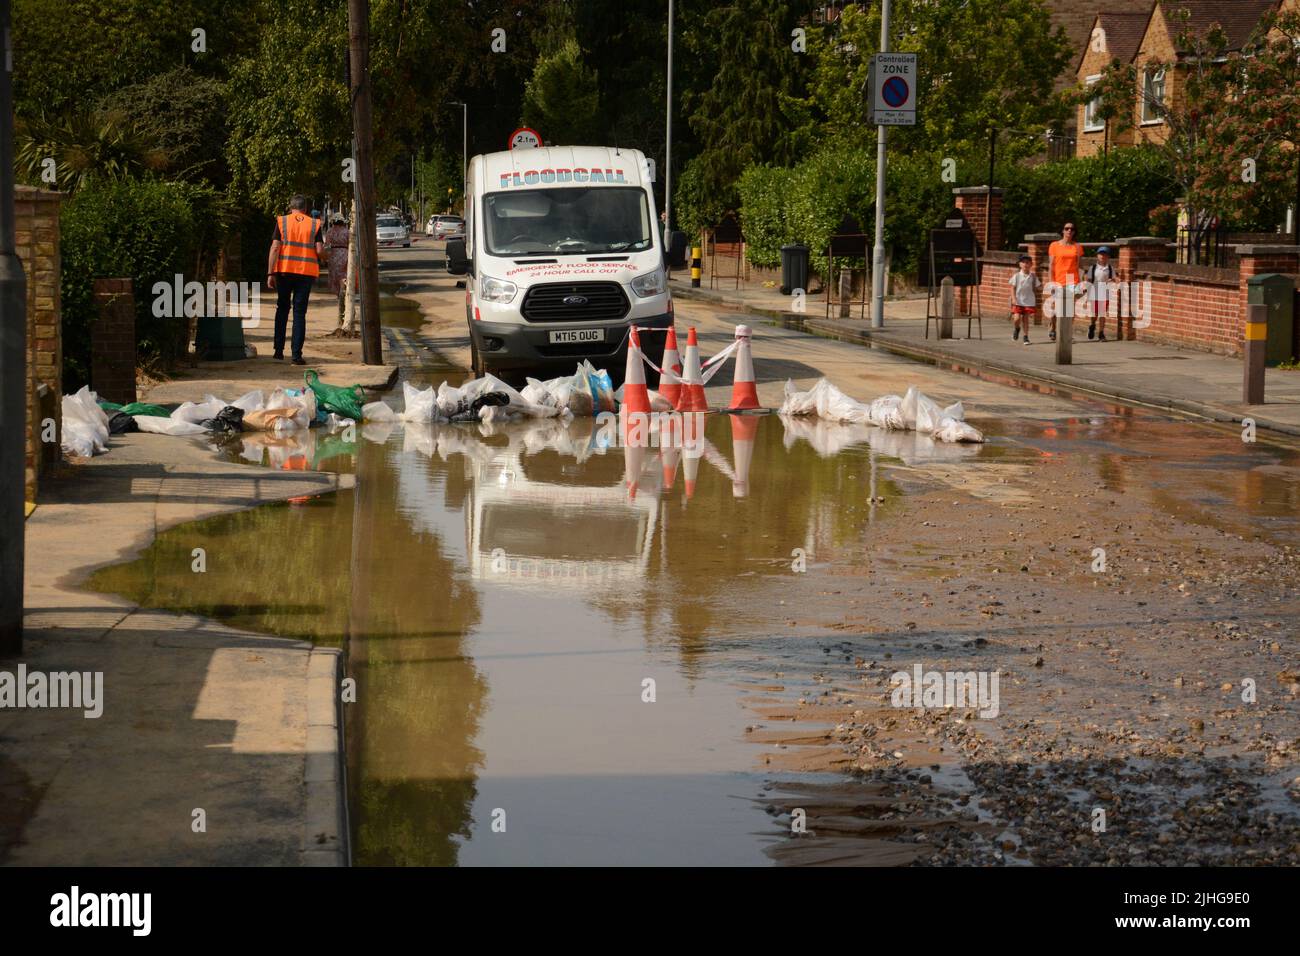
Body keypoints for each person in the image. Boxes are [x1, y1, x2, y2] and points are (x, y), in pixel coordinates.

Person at [266, 195, 324, 365]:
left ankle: (278, 351)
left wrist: (270, 273)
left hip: (284, 273)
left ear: (290, 208)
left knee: (282, 309)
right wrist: (327, 257)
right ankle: (296, 355)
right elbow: (319, 250)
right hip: (305, 274)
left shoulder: (282, 222)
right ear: (305, 209)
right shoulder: (314, 224)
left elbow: (275, 247)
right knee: (299, 313)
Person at [1047, 222, 1082, 343]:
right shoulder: (1054, 245)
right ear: (1062, 231)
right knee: (1056, 308)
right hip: (1058, 279)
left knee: (1070, 309)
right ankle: (1053, 327)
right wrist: (1051, 282)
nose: (1069, 231)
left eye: (1072, 229)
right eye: (1066, 228)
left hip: (1072, 280)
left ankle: (1067, 333)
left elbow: (1078, 266)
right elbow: (1051, 265)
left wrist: (1080, 283)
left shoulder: (1077, 247)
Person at [1086, 246, 1118, 341]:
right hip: (1094, 291)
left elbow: (1114, 278)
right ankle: (1092, 325)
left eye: (1105, 254)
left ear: (1108, 256)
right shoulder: (1093, 267)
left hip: (1105, 292)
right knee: (1095, 313)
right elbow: (1088, 279)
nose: (1102, 256)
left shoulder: (1110, 268)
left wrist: (1114, 280)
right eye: (1101, 254)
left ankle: (1101, 333)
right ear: (1097, 256)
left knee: (1102, 313)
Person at [324, 214, 351, 326]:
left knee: (334, 275)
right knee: (343, 275)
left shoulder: (330, 231)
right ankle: (343, 293)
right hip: (345, 253)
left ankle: (337, 294)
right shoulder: (347, 231)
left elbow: (326, 245)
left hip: (334, 255)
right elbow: (351, 244)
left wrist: (325, 256)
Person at [1008, 254, 1040, 346]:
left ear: (1031, 264)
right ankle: (1017, 328)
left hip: (1029, 301)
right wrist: (1013, 298)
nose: (1025, 264)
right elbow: (1012, 288)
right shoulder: (1017, 276)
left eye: (1027, 262)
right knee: (1016, 318)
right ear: (1020, 264)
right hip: (1018, 300)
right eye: (1023, 262)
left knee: (1026, 319)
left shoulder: (1033, 276)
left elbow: (1038, 286)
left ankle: (1026, 336)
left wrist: (1048, 288)